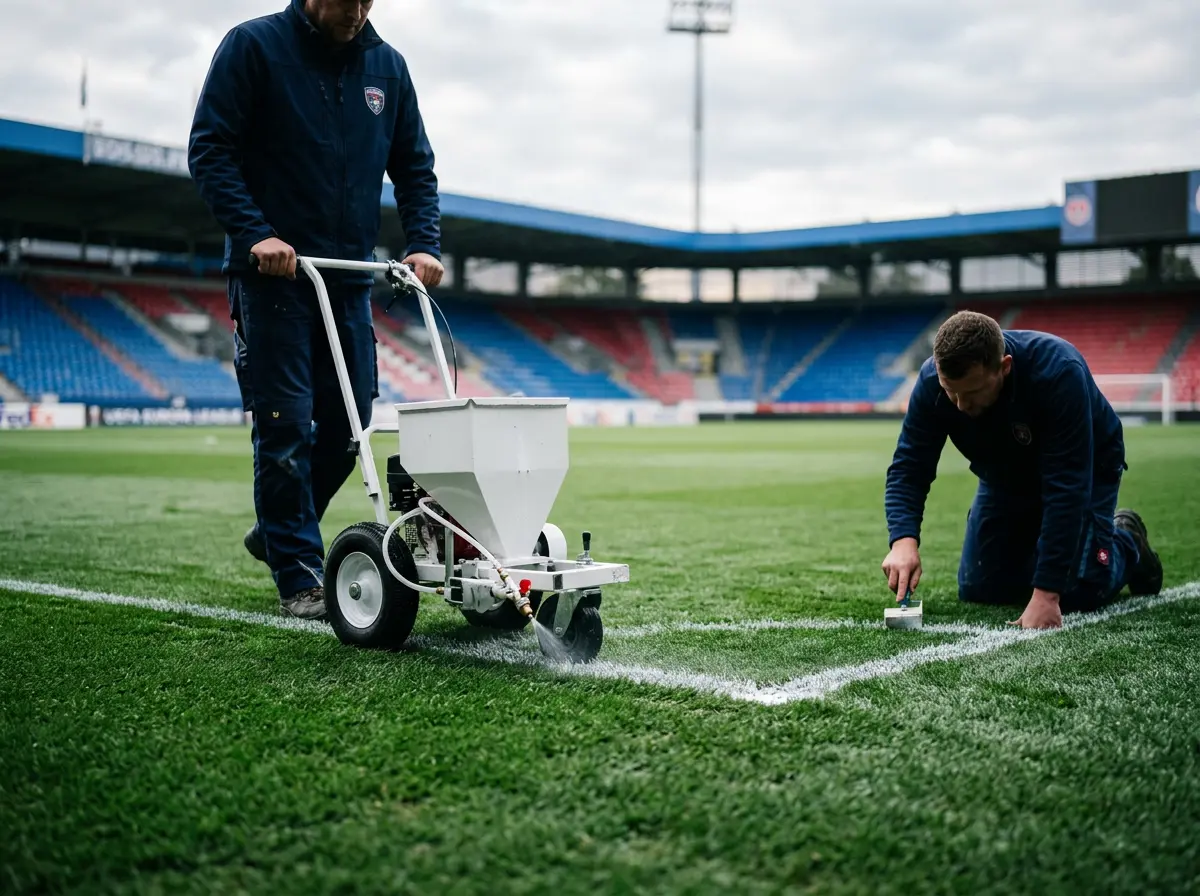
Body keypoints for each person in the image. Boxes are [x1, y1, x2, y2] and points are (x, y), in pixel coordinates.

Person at [188, 0, 444, 619]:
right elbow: (210, 150)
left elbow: (414, 168)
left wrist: (423, 244)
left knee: (349, 429)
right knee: (285, 426)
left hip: (347, 279)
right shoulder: (253, 47)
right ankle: (299, 572)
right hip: (274, 276)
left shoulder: (388, 68)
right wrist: (255, 234)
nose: (356, 11)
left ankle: (279, 528)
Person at [882, 310, 1163, 629]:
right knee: (982, 588)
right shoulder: (932, 380)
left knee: (1075, 593)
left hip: (1088, 467)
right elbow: (909, 466)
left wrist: (1047, 595)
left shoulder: (1058, 372)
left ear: (1004, 368)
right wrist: (903, 540)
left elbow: (1067, 487)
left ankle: (1126, 540)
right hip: (1005, 473)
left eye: (971, 393)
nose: (959, 405)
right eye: (951, 392)